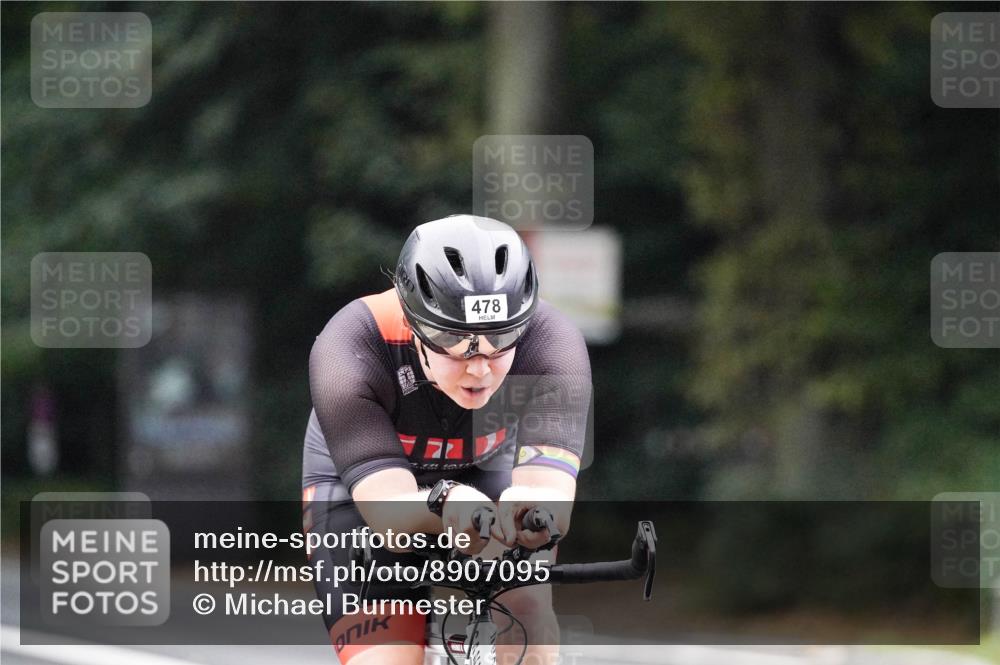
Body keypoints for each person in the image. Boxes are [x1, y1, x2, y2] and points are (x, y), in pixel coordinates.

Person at [302, 214, 591, 665]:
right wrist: (448, 500)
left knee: (531, 621)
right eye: (454, 342)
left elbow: (551, 500)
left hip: (487, 468)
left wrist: (530, 509)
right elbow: (389, 518)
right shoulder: (352, 347)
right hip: (367, 494)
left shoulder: (552, 343)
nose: (479, 368)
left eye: (500, 341)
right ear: (414, 324)